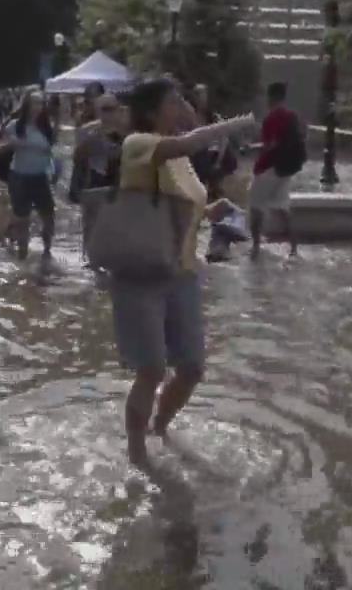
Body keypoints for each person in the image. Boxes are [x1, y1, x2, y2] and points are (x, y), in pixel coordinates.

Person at [110, 78, 255, 466]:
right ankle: (137, 453)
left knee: (191, 368)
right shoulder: (139, 143)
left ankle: (160, 427)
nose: (182, 106)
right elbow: (189, 141)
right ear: (154, 110)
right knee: (152, 368)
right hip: (142, 272)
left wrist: (211, 210)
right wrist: (230, 124)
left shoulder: (178, 156)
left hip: (183, 272)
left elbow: (177, 207)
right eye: (174, 101)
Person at [0, 92, 58, 261]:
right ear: (26, 106)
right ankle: (22, 257)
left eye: (41, 103)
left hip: (40, 176)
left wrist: (54, 171)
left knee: (49, 217)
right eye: (34, 103)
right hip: (19, 177)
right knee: (24, 219)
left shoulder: (47, 127)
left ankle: (47, 252)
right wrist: (12, 143)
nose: (38, 107)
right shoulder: (14, 126)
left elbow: (51, 152)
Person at [73, 94, 128, 265]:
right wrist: (93, 139)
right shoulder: (87, 130)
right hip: (95, 180)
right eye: (104, 109)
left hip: (122, 183)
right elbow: (77, 158)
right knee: (91, 225)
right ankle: (90, 261)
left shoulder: (128, 131)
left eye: (113, 109)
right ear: (97, 111)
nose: (109, 114)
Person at [249, 82, 299, 258]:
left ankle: (255, 248)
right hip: (286, 170)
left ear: (272, 97)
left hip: (268, 168)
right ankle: (294, 248)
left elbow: (270, 145)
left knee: (255, 207)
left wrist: (254, 150)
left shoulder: (271, 118)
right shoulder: (292, 116)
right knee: (282, 208)